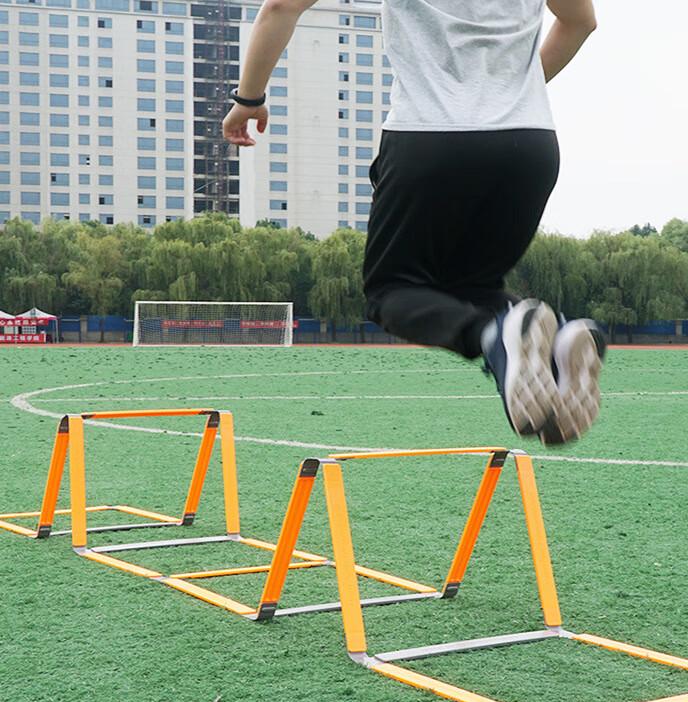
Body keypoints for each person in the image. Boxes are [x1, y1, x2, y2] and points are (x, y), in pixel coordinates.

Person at [223, 0, 604, 445]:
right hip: (530, 144)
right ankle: (556, 353)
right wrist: (511, 95)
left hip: (432, 136)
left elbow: (281, 6)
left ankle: (494, 334)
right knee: (473, 288)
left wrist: (248, 99)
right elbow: (581, 21)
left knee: (391, 292)